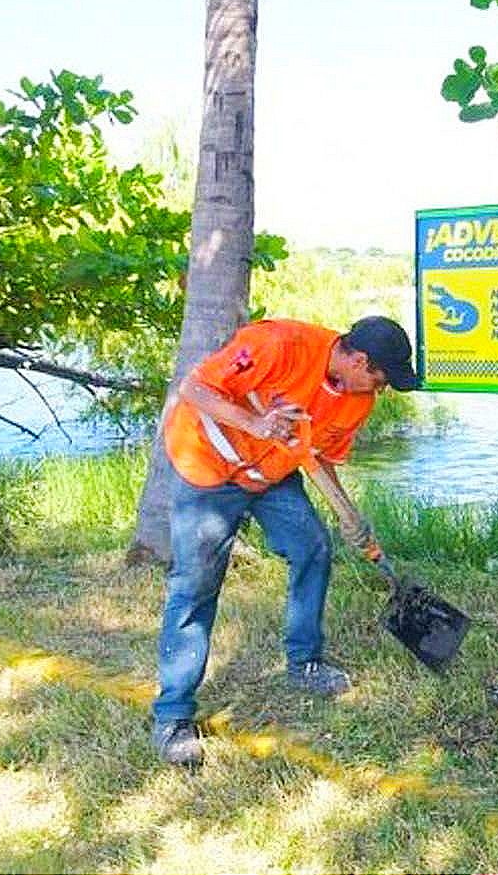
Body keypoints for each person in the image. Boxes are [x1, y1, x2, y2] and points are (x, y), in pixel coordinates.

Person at [151, 315, 418, 767]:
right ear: (358, 360)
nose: (382, 388)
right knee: (195, 586)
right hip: (208, 467)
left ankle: (304, 663)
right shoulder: (279, 345)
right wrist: (255, 424)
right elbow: (194, 389)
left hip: (272, 474)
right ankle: (173, 715)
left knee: (313, 548)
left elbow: (319, 457)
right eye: (380, 378)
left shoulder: (358, 400)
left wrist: (348, 513)